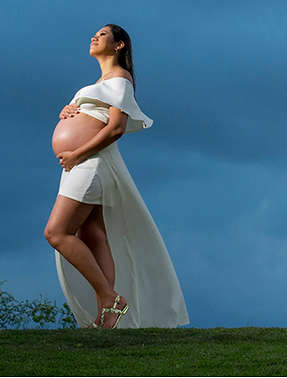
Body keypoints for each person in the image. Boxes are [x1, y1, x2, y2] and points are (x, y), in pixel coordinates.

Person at [44, 24, 188, 329]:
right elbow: (92, 114)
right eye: (94, 34)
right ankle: (108, 317)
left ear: (119, 45)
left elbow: (116, 128)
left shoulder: (121, 78)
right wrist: (69, 110)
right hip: (82, 163)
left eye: (103, 34)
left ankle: (109, 297)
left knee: (56, 233)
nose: (94, 36)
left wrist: (77, 153)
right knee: (93, 235)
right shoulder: (98, 82)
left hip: (90, 164)